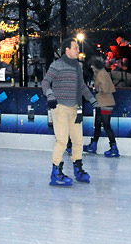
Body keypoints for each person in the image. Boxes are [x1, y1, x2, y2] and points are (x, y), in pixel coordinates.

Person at [41, 39, 97, 186]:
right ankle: (56, 172)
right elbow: (45, 82)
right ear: (67, 50)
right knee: (62, 141)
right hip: (60, 108)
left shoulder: (78, 67)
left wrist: (92, 100)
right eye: (75, 48)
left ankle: (78, 169)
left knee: (78, 141)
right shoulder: (57, 65)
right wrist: (50, 95)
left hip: (75, 108)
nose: (78, 50)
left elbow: (82, 87)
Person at [84, 56, 119, 157]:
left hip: (105, 103)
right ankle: (94, 145)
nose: (91, 67)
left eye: (92, 66)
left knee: (106, 125)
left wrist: (95, 88)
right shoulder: (101, 73)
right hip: (102, 103)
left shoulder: (101, 74)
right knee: (98, 125)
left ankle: (114, 147)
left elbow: (105, 88)